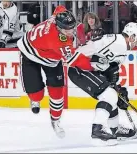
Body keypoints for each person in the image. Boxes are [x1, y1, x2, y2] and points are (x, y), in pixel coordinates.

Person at [17, 7, 92, 138]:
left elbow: (59, 8)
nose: (70, 32)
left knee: (57, 92)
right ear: (58, 27)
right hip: (30, 53)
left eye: (72, 27)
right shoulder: (57, 40)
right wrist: (93, 65)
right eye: (66, 30)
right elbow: (76, 61)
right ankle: (35, 99)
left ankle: (55, 120)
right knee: (36, 95)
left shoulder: (58, 17)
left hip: (51, 57)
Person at [68, 22, 137, 146]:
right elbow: (95, 60)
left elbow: (110, 71)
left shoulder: (119, 44)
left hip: (85, 67)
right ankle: (98, 131)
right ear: (132, 37)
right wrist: (112, 82)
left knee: (112, 94)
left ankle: (115, 129)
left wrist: (118, 89)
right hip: (80, 67)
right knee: (109, 95)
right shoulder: (119, 44)